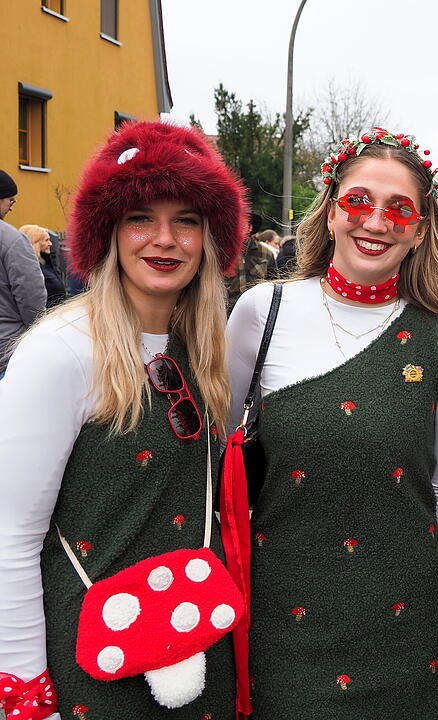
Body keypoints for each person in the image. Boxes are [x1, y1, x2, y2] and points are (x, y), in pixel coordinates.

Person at [227, 127, 438, 718]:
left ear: (420, 230)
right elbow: (216, 454)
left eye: (400, 209)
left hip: (405, 619)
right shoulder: (263, 313)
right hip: (278, 611)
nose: (377, 221)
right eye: (360, 201)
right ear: (332, 211)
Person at [0, 121, 247, 719]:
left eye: (186, 220)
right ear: (108, 233)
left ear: (209, 239)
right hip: (90, 669)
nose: (164, 239)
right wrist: (28, 694)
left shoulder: (206, 348)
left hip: (195, 651)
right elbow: (10, 536)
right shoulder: (59, 350)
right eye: (141, 217)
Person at [0, 170, 46, 378]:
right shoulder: (12, 240)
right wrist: (38, 333)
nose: (11, 205)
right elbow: (31, 297)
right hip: (7, 352)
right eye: (11, 199)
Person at [20, 224, 66, 308]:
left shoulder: (44, 263)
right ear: (36, 243)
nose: (50, 243)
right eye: (46, 240)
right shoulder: (33, 269)